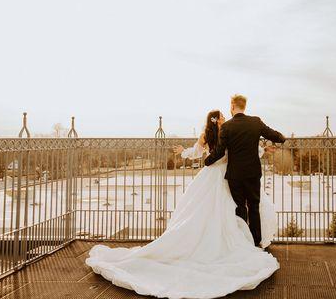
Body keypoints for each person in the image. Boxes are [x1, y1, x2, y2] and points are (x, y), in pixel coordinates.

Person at [85, 105, 282, 299]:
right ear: (219, 119)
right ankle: (239, 242)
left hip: (211, 174)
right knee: (229, 209)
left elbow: (197, 152)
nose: (223, 117)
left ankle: (219, 241)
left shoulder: (211, 134)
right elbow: (243, 150)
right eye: (221, 115)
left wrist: (183, 152)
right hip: (225, 175)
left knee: (208, 210)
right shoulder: (228, 131)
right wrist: (263, 150)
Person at [205, 94, 285, 246]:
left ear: (232, 106)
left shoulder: (227, 126)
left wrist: (207, 161)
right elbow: (272, 134)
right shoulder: (255, 122)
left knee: (240, 207)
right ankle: (256, 242)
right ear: (244, 106)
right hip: (253, 173)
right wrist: (282, 138)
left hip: (235, 174)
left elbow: (220, 152)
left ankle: (243, 242)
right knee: (254, 207)